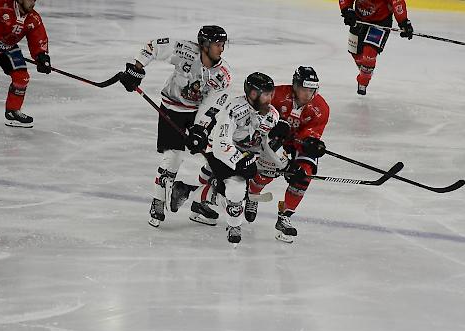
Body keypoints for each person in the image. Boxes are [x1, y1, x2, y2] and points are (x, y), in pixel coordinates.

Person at [118, 25, 233, 228]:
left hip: (198, 113)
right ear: (204, 45)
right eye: (217, 44)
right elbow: (152, 47)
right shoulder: (185, 50)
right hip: (172, 109)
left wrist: (201, 129)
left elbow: (212, 105)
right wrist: (137, 69)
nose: (221, 49)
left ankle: (199, 203)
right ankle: (158, 200)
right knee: (174, 158)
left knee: (215, 157)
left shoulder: (223, 75)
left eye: (223, 44)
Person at [181, 72, 288, 244]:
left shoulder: (272, 115)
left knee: (230, 190)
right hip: (219, 151)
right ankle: (234, 226)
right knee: (236, 188)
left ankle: (187, 190)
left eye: (271, 94)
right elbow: (221, 142)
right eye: (266, 94)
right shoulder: (234, 109)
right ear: (253, 94)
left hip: (245, 154)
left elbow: (268, 145)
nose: (270, 99)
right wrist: (240, 161)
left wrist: (284, 164)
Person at [246, 66, 329, 243]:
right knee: (266, 174)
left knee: (303, 175)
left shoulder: (321, 107)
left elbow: (312, 133)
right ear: (295, 86)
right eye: (304, 89)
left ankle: (285, 217)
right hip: (275, 141)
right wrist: (272, 129)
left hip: (297, 144)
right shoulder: (276, 94)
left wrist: (312, 143)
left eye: (312, 90)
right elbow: (256, 115)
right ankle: (252, 194)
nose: (308, 94)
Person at [0, 0, 51, 127]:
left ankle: (12, 112)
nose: (33, 2)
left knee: (22, 78)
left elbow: (38, 37)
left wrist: (41, 56)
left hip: (7, 49)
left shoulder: (33, 18)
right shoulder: (0, 6)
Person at [338, 0, 412, 95]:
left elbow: (397, 2)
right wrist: (346, 10)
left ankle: (363, 80)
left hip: (380, 22)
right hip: (359, 19)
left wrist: (403, 22)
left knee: (369, 54)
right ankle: (366, 71)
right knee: (355, 53)